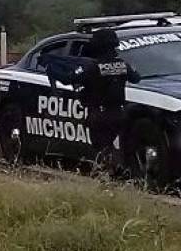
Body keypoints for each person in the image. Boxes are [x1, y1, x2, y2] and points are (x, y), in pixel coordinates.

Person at [41, 28, 140, 172]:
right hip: (119, 113)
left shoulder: (92, 67)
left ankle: (107, 174)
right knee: (113, 145)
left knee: (101, 148)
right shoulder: (122, 65)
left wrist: (51, 68)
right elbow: (136, 78)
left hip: (99, 115)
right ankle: (117, 170)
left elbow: (68, 79)